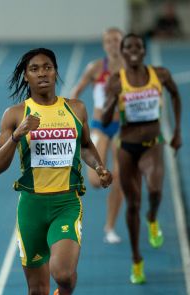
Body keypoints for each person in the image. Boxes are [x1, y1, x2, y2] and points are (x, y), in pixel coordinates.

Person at [0, 48, 112, 295]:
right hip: (31, 207)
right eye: (34, 68)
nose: (42, 72)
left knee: (62, 274)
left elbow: (86, 145)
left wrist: (99, 166)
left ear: (56, 72)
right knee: (34, 292)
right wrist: (18, 134)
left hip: (65, 204)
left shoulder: (75, 109)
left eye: (47, 67)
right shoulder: (16, 114)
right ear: (25, 76)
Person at [102, 33, 182, 284]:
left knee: (156, 191)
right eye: (128, 47)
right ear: (123, 52)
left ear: (144, 50)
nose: (134, 50)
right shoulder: (116, 81)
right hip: (126, 147)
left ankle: (152, 218)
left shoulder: (160, 74)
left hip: (153, 144)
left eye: (138, 46)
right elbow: (105, 121)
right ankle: (137, 260)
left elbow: (175, 95)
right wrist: (112, 101)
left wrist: (177, 130)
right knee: (133, 204)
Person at [70, 28, 124, 244]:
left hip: (122, 127)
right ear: (104, 45)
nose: (112, 44)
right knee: (95, 179)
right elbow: (75, 92)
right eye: (108, 41)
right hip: (99, 125)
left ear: (122, 43)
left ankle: (110, 226)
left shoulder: (131, 68)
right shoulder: (95, 68)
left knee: (118, 178)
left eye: (116, 40)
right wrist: (71, 118)